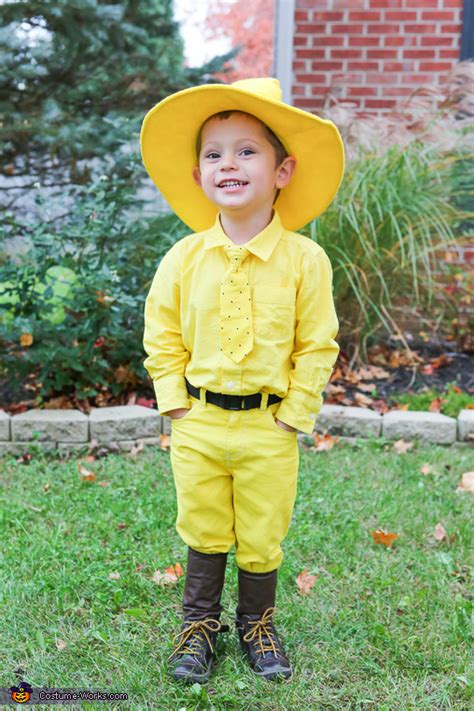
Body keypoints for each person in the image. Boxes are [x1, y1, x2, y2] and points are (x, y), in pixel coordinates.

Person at [141, 77, 344, 684]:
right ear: (201, 177)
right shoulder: (182, 258)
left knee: (261, 529)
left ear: (283, 171)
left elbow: (317, 343)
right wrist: (175, 404)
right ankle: (199, 625)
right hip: (199, 422)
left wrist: (294, 412)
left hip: (268, 424)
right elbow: (163, 333)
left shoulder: (306, 261)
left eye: (246, 150)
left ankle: (258, 624)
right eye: (213, 153)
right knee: (203, 523)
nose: (228, 163)